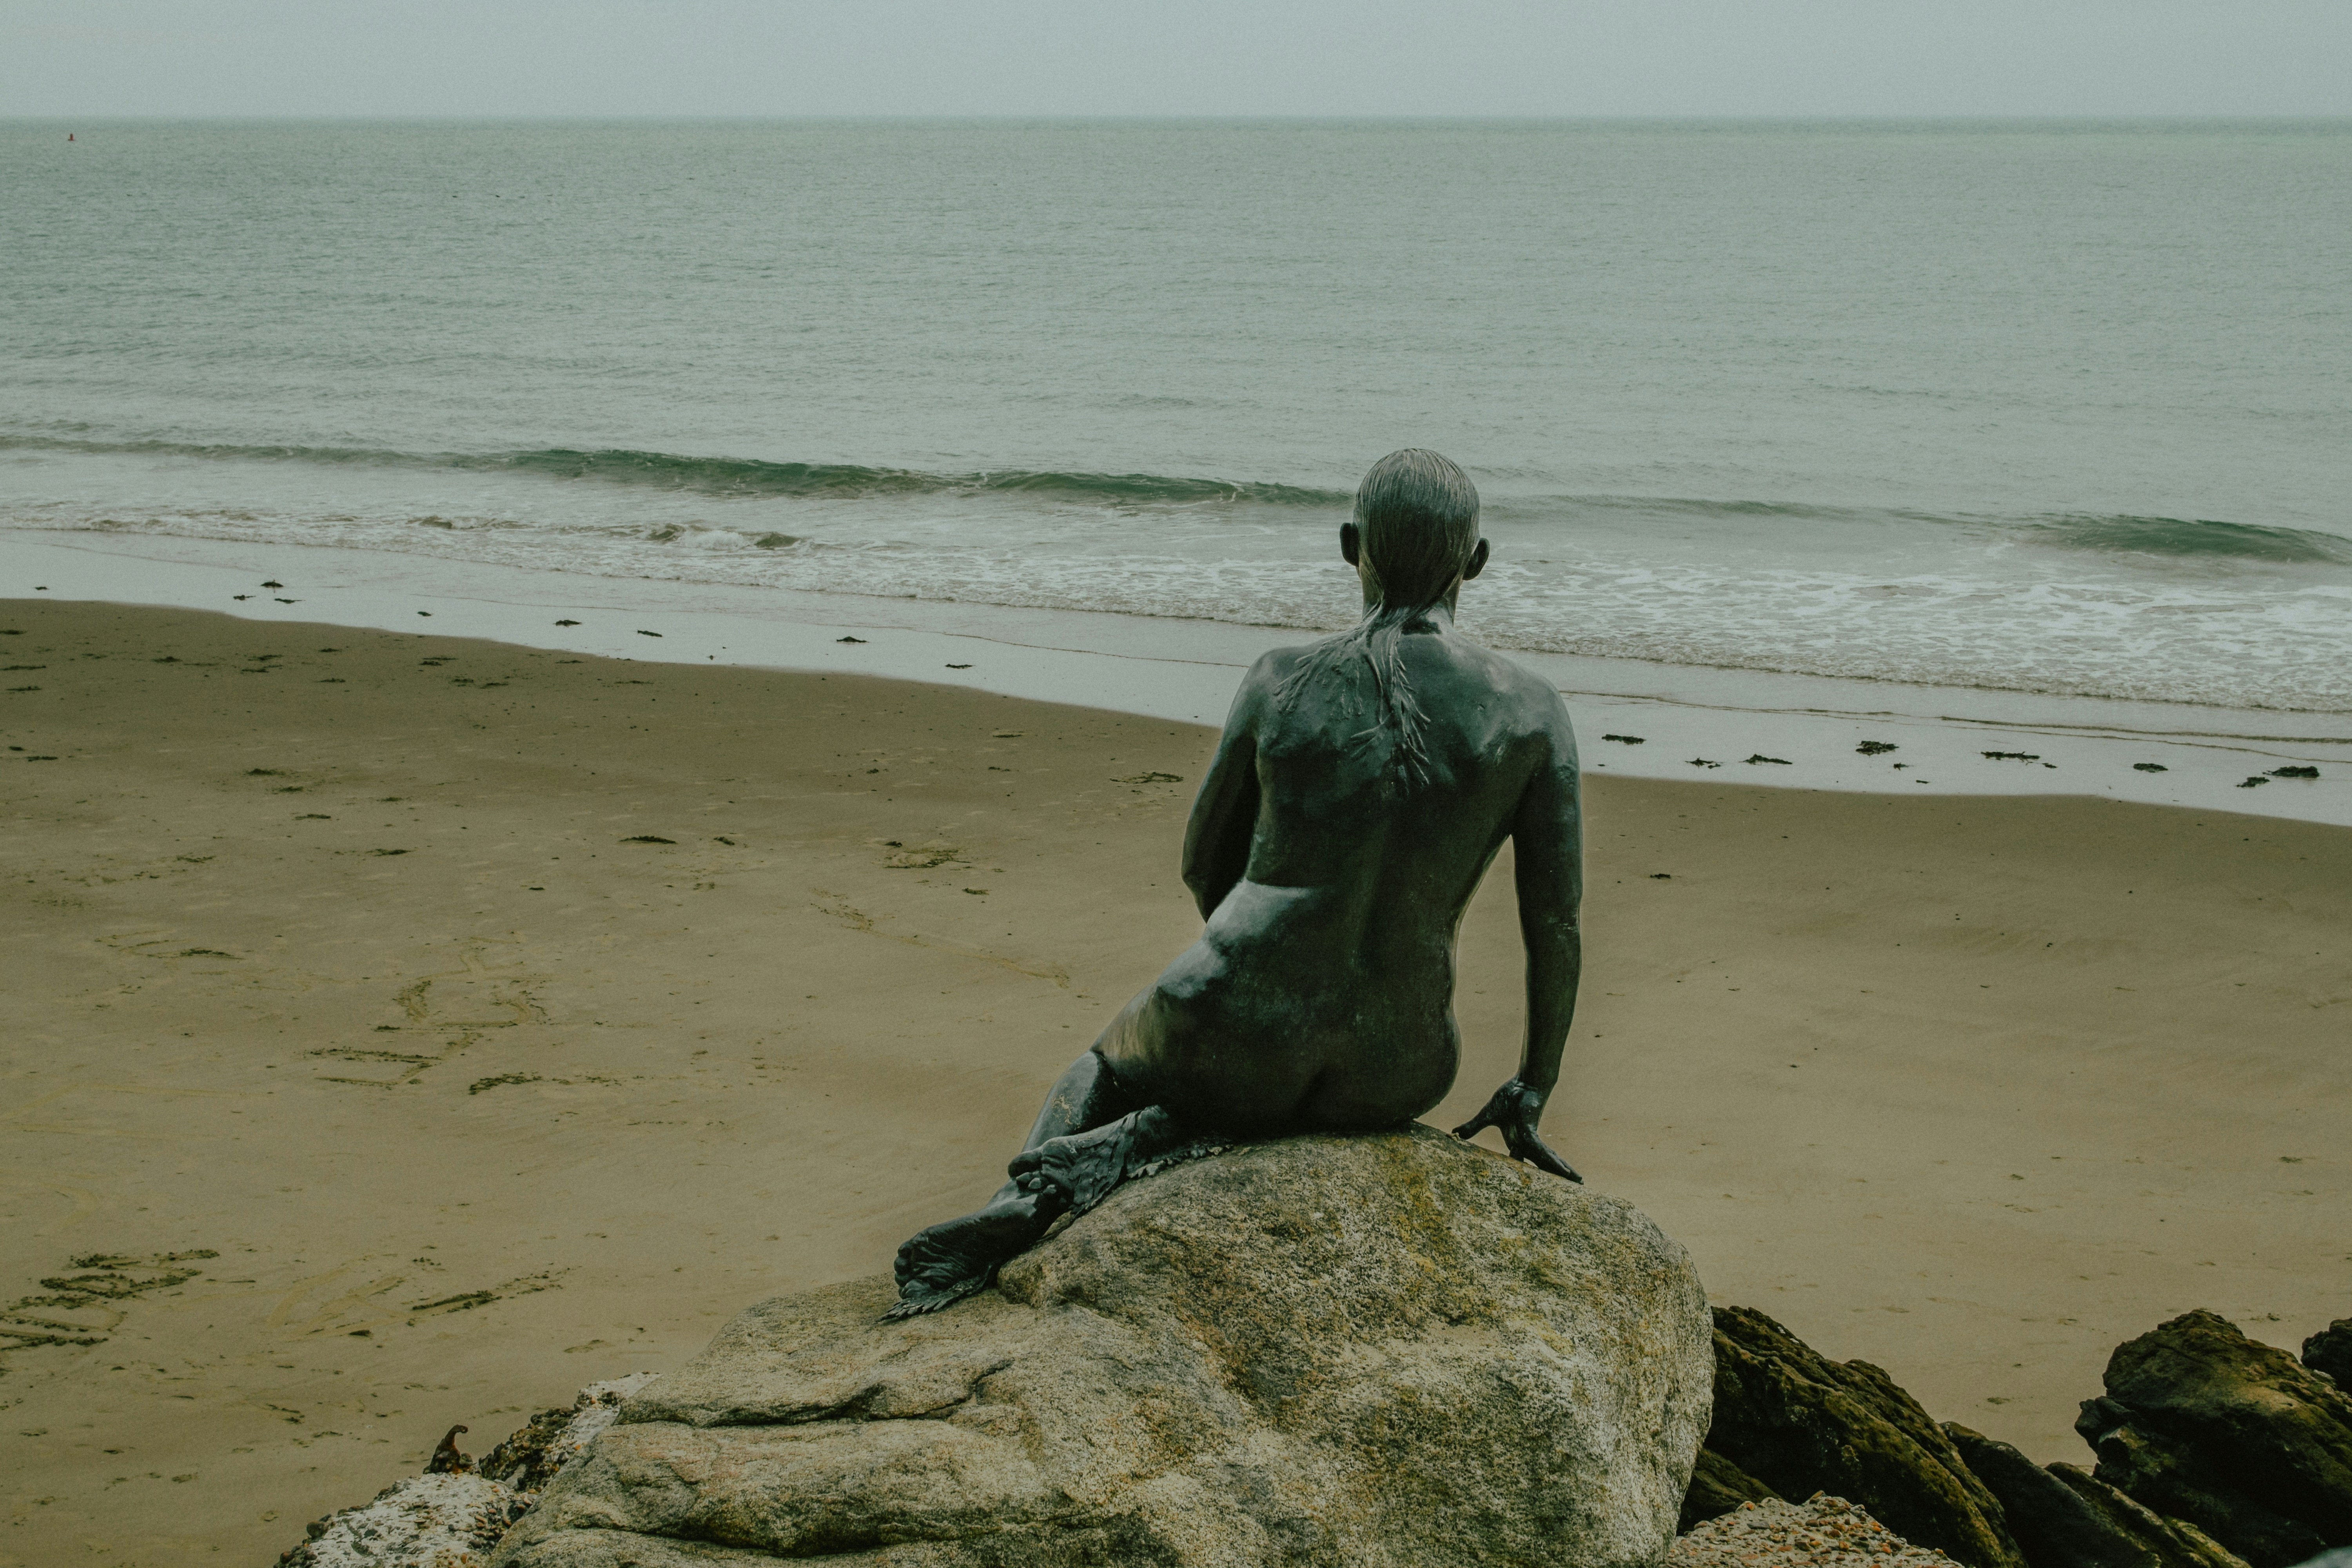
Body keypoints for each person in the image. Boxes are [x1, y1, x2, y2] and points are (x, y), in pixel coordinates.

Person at [889, 448, 1584, 1319]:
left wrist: (1259, 972)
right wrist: (1532, 1083)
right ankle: (1164, 1131)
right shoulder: (1530, 708)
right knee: (1277, 1086)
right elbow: (1554, 920)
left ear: (1348, 546)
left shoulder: (1279, 678)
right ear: (1476, 561)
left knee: (1103, 1061)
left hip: (1234, 1014)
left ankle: (1029, 1196)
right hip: (1401, 1063)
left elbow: (1202, 857)